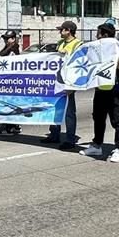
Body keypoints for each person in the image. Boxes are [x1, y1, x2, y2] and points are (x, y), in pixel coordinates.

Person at [79, 20, 119, 163]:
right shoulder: (98, 49)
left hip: (114, 89)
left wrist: (112, 55)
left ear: (105, 35)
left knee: (117, 119)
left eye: (99, 35)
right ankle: (97, 145)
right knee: (98, 118)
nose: (97, 38)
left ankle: (118, 149)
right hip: (100, 88)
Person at [42, 20, 82, 150]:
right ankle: (54, 134)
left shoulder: (78, 44)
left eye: (62, 30)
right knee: (54, 109)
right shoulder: (60, 43)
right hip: (56, 82)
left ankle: (70, 140)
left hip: (68, 83)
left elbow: (79, 63)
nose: (60, 32)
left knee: (69, 112)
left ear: (68, 31)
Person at [0, 30, 23, 136]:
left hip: (11, 80)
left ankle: (10, 128)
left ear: (13, 38)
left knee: (9, 103)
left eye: (7, 38)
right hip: (7, 79)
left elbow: (2, 56)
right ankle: (13, 126)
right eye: (4, 38)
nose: (5, 40)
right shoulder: (8, 47)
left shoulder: (14, 47)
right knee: (9, 102)